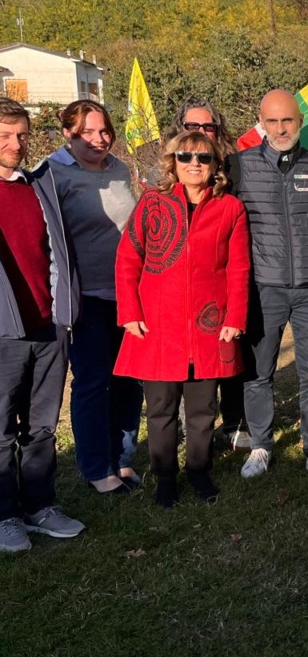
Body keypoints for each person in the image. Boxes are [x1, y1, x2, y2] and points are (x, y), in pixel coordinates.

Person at [115, 130, 250, 506]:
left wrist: (234, 316)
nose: (194, 164)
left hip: (210, 327)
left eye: (203, 158)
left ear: (215, 165)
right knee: (160, 409)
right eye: (186, 156)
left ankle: (199, 470)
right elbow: (128, 259)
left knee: (203, 409)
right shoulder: (152, 203)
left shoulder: (230, 209)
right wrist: (129, 313)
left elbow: (239, 268)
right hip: (158, 327)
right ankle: (165, 476)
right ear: (173, 162)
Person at [224, 89, 308, 481]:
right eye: (272, 121)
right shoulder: (238, 168)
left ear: (299, 122)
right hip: (263, 288)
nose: (280, 128)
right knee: (259, 372)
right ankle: (260, 444)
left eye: (288, 120)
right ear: (262, 123)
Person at [42, 100, 143, 494]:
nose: (99, 140)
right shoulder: (52, 173)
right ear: (68, 133)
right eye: (87, 132)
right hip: (87, 297)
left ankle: (122, 459)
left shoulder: (118, 169)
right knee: (92, 381)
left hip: (129, 295)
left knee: (129, 380)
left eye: (104, 131)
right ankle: (96, 467)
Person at [0, 98, 85, 552]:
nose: (17, 145)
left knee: (42, 426)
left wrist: (64, 312)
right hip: (3, 334)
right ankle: (5, 515)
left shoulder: (38, 186)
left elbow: (58, 251)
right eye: (5, 136)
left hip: (48, 326)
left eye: (22, 135)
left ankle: (40, 506)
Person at [165, 98, 250, 451]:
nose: (200, 134)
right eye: (192, 127)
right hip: (183, 289)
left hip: (230, 274)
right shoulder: (170, 178)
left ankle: (233, 423)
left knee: (228, 352)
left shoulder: (236, 173)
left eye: (208, 127)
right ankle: (191, 426)